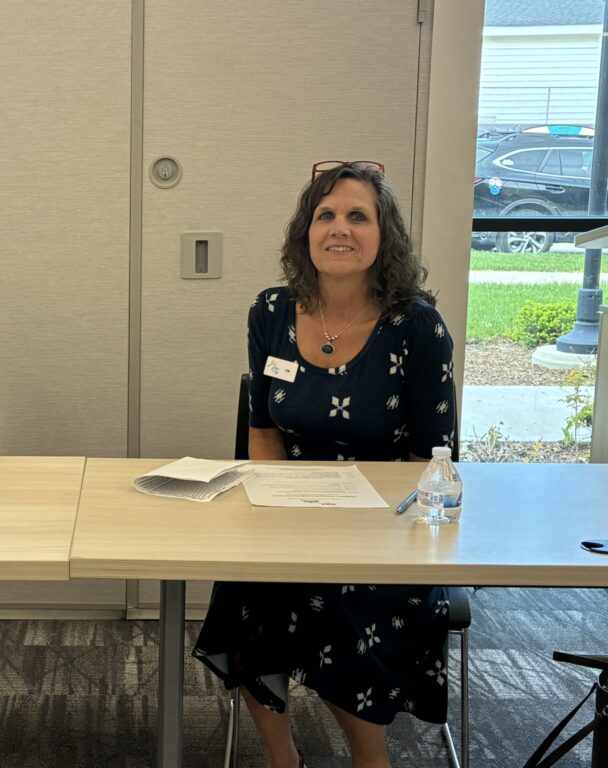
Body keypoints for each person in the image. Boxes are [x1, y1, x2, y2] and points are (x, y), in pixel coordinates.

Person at [192, 161, 456, 768]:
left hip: (387, 532)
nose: (340, 228)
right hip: (292, 514)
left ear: (384, 234)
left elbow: (431, 460)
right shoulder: (271, 311)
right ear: (305, 233)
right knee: (247, 584)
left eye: (358, 215)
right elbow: (262, 433)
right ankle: (282, 757)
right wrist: (277, 521)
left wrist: (365, 537)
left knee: (340, 597)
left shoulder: (416, 327)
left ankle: (370, 759)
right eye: (325, 215)